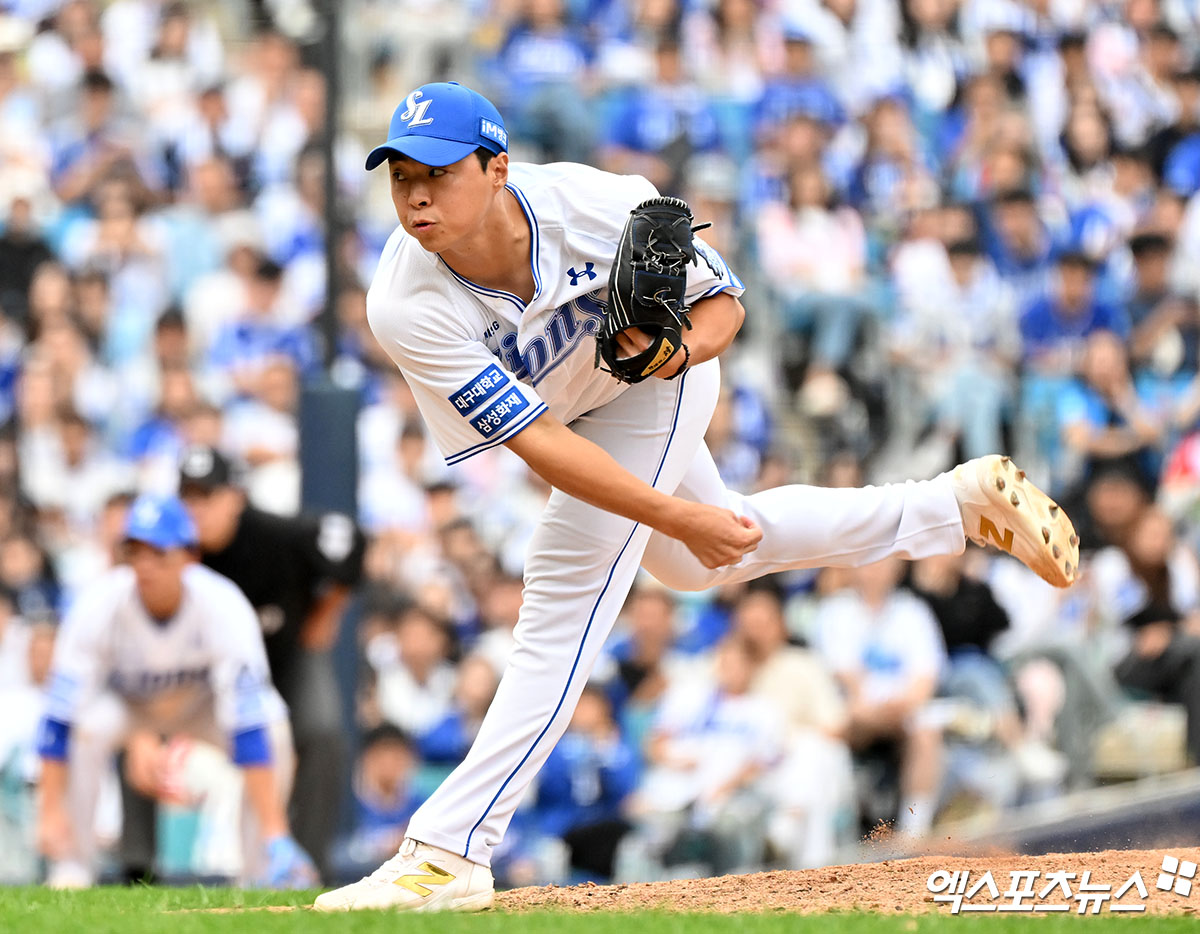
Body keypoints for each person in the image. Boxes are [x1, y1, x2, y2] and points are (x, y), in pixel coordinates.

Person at [314, 80, 1078, 913]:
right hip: (574, 424)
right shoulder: (404, 299)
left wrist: (676, 357)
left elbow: (722, 306)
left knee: (563, 591)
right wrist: (678, 518)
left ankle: (451, 849)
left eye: (438, 170)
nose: (415, 193)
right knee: (698, 557)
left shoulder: (592, 205)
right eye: (399, 175)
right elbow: (541, 446)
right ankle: (954, 507)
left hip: (654, 390)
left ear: (497, 168)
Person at [34, 493, 313, 888]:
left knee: (273, 727)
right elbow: (58, 718)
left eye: (158, 552)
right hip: (129, 708)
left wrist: (275, 829)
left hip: (202, 707)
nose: (145, 565)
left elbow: (249, 723)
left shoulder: (223, 604)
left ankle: (260, 865)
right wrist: (48, 811)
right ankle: (74, 865)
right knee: (87, 728)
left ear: (189, 556)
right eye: (136, 551)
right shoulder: (100, 602)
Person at [177, 443, 365, 879]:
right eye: (188, 497)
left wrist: (327, 610)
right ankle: (136, 865)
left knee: (323, 734)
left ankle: (311, 868)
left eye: (208, 496)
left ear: (235, 498)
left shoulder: (272, 534)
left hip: (284, 660)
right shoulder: (176, 548)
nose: (196, 508)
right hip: (211, 680)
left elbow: (349, 537)